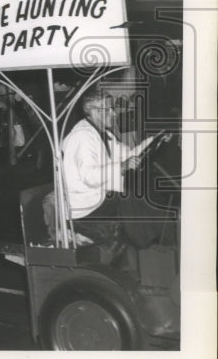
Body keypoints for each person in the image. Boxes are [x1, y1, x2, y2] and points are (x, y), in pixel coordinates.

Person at [50, 89, 167, 248]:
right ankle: (147, 245)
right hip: (83, 206)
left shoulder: (105, 134)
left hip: (97, 197)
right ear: (95, 112)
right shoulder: (82, 137)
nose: (114, 113)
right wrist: (121, 166)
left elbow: (130, 155)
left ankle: (155, 239)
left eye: (113, 109)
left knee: (135, 193)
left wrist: (154, 139)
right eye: (109, 109)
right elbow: (89, 176)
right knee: (125, 197)